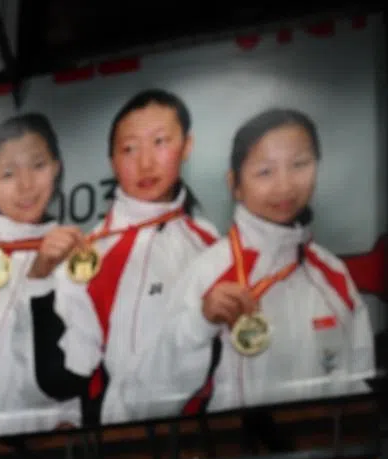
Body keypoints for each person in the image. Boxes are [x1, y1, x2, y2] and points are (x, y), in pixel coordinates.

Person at [119, 108, 376, 417]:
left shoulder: (333, 273)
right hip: (235, 458)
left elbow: (359, 384)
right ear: (235, 184)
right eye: (265, 171)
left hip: (323, 454)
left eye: (299, 165)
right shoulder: (208, 271)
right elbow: (144, 402)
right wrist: (199, 323)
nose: (285, 185)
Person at [32, 89, 220, 427]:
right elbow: (66, 370)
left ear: (187, 146)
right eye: (129, 149)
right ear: (112, 161)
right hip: (112, 445)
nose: (146, 163)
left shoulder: (211, 247)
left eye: (160, 142)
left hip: (200, 441)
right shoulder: (86, 252)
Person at [0, 113, 84, 440]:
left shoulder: (79, 258)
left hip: (53, 447)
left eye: (37, 166)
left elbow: (83, 357)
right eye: (8, 173)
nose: (26, 185)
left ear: (56, 168)